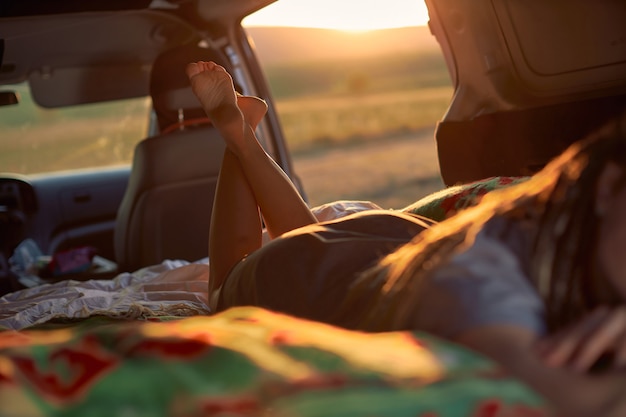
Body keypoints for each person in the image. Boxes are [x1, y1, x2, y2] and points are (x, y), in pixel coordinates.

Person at [187, 61, 626, 415]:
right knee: (223, 288)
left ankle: (244, 131)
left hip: (396, 241)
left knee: (308, 239)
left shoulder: (543, 225)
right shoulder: (480, 283)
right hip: (318, 267)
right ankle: (238, 139)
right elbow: (543, 392)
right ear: (607, 187)